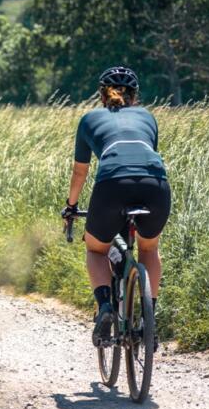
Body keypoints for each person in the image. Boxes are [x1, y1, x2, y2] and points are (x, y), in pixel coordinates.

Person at [61, 66, 170, 345]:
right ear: (135, 96)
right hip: (155, 184)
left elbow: (80, 173)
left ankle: (106, 306)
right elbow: (146, 154)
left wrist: (71, 206)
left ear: (101, 95)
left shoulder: (89, 119)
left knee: (96, 249)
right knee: (149, 248)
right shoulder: (147, 116)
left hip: (112, 184)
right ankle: (149, 321)